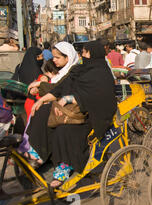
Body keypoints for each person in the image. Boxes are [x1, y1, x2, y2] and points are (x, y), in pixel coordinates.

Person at [28, 41, 117, 188]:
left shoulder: (102, 73)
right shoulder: (79, 70)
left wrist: (69, 99)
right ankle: (38, 154)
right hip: (71, 112)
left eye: (85, 52)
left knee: (64, 130)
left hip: (90, 116)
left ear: (94, 53)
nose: (82, 55)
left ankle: (63, 168)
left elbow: (98, 97)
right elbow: (59, 88)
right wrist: (41, 100)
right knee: (43, 111)